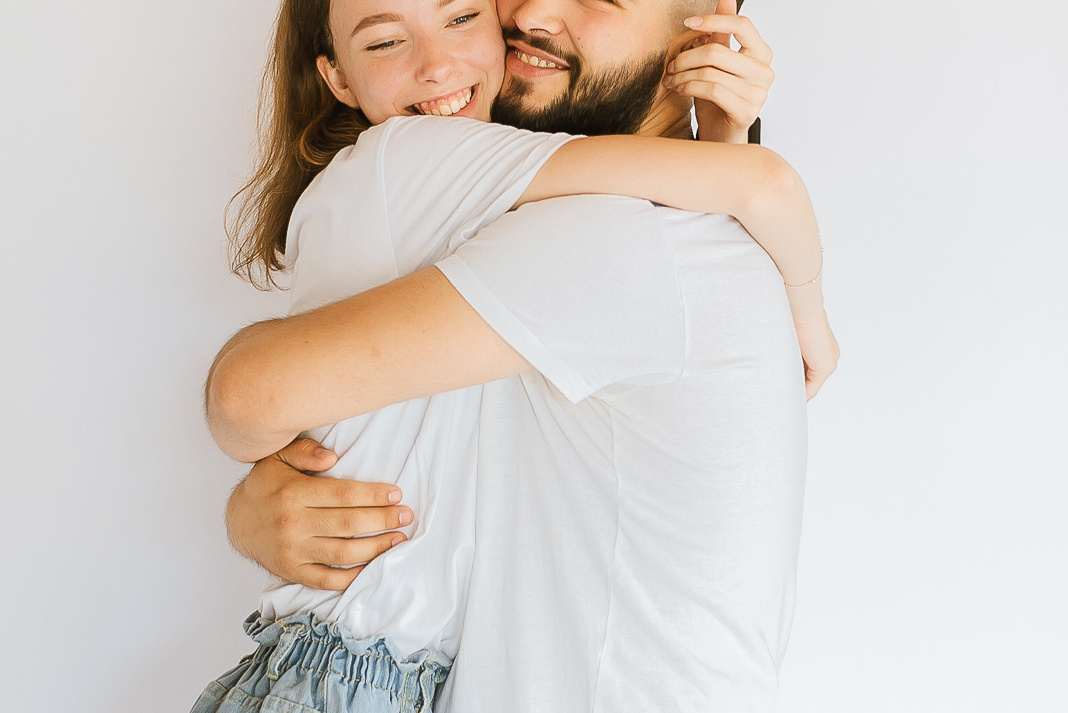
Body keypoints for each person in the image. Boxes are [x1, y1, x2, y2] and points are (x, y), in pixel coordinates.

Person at [209, 0, 837, 711]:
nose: (532, 12)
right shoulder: (525, 216)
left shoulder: (615, 239)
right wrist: (256, 508)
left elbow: (245, 391)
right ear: (337, 75)